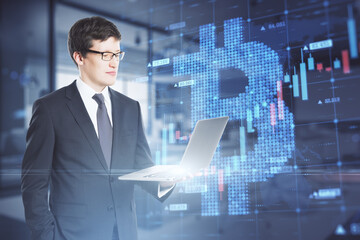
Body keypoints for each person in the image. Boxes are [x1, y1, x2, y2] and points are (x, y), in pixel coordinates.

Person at [21, 16, 174, 240]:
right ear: (79, 57)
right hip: (73, 234)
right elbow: (34, 184)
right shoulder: (49, 109)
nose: (114, 63)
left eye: (117, 54)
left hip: (124, 232)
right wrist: (47, 236)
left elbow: (142, 167)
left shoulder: (131, 107)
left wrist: (168, 180)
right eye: (105, 55)